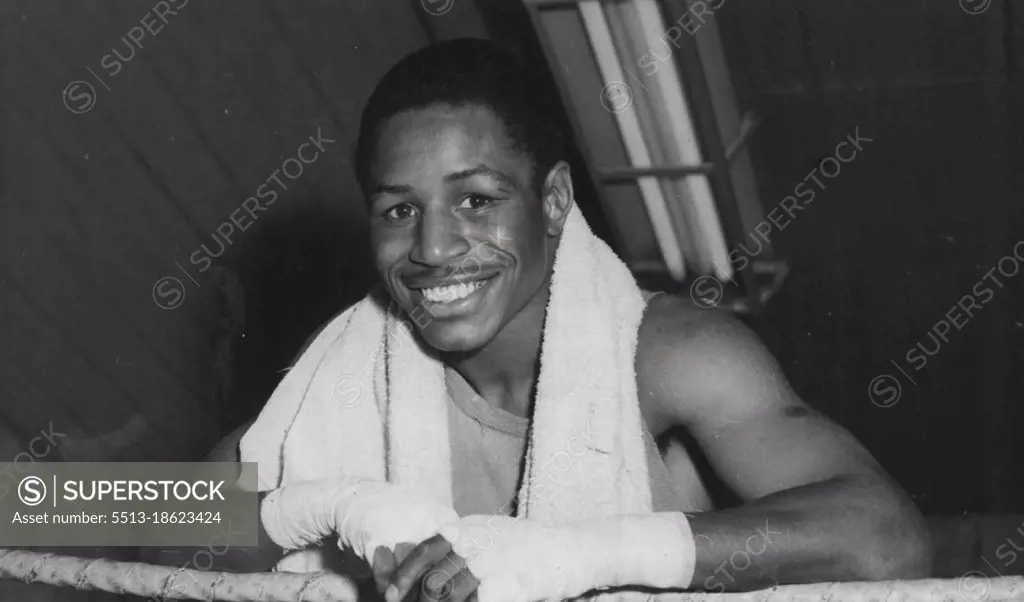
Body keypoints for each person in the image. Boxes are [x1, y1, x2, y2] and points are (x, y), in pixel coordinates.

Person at [208, 38, 931, 601]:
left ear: (553, 202)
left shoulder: (670, 355)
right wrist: (338, 506)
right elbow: (126, 516)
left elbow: (888, 540)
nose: (431, 249)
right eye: (400, 210)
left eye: (477, 200)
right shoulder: (349, 367)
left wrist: (579, 555)